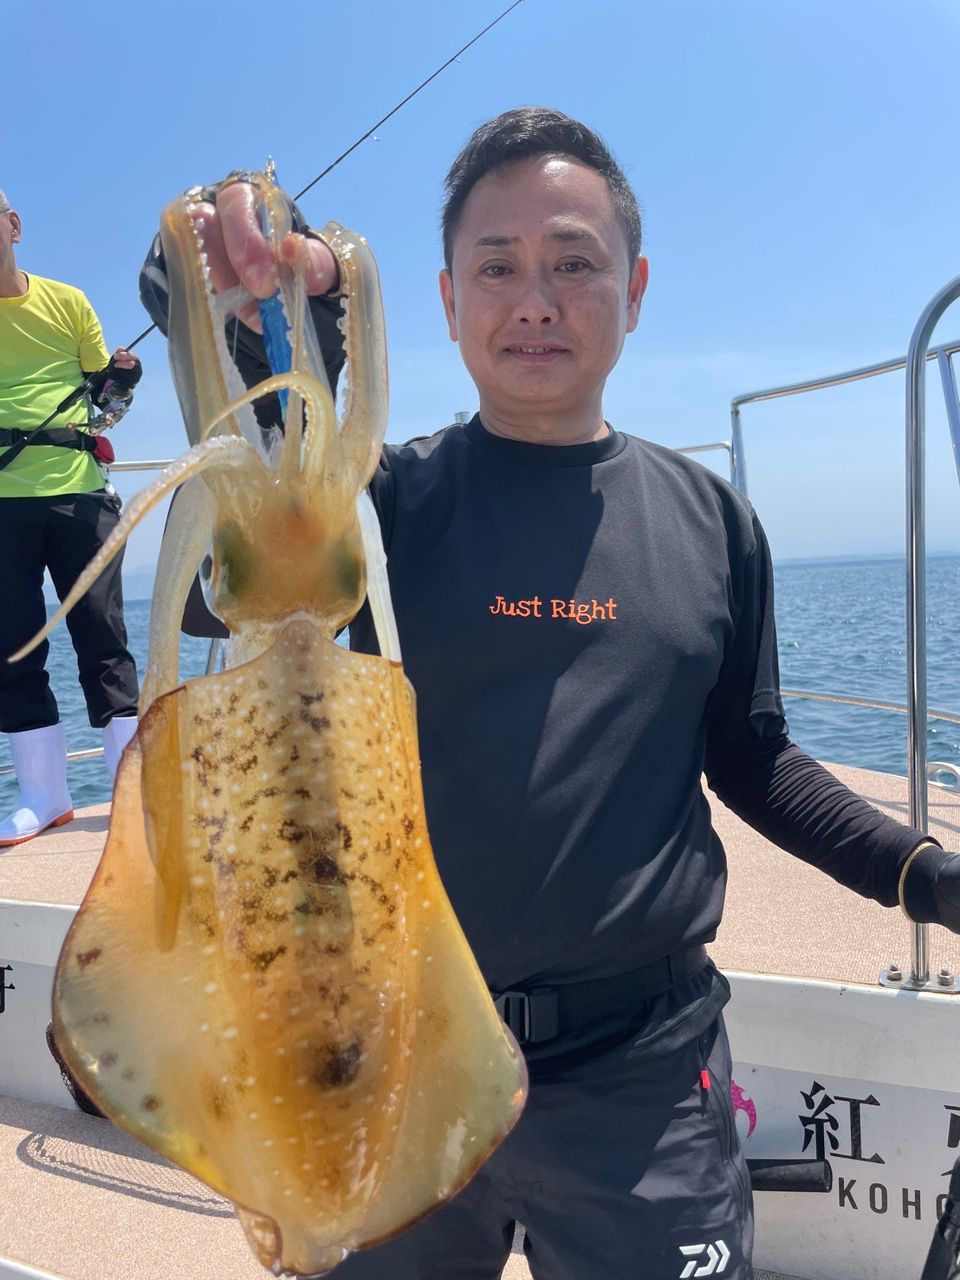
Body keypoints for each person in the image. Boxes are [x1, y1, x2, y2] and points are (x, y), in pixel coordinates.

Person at [139, 110, 960, 1280]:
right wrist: (249, 286)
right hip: (395, 1054)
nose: (536, 298)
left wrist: (921, 873)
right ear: (445, 296)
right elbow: (267, 496)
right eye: (498, 266)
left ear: (633, 288)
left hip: (645, 1071)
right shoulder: (377, 510)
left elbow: (754, 755)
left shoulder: (711, 519)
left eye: (574, 262)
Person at [0, 187, 142, 846]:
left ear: (14, 224)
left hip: (79, 491)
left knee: (103, 641)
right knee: (14, 649)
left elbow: (105, 413)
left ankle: (133, 792)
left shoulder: (68, 302)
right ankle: (45, 797)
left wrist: (122, 381)